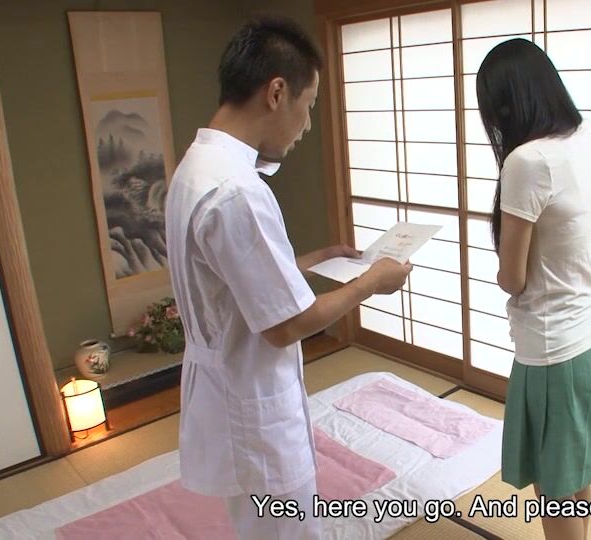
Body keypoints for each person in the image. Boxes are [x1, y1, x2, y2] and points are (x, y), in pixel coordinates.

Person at [164, 17, 412, 540]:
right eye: (309, 105)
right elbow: (286, 325)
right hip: (252, 402)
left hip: (226, 388)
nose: (307, 125)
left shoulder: (197, 167)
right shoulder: (238, 191)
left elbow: (228, 278)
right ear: (277, 93)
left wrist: (313, 260)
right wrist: (372, 282)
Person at [476, 39, 591, 539]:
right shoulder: (586, 139)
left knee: (556, 493)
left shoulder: (526, 162)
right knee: (574, 478)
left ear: (504, 106)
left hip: (553, 353)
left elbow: (513, 277)